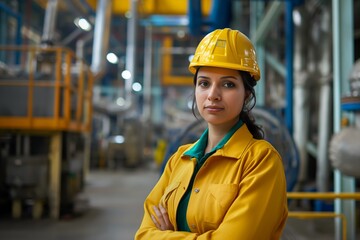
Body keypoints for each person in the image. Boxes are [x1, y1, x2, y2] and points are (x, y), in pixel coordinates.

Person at [135, 28, 288, 240]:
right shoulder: (180, 159)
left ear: (246, 95)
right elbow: (143, 234)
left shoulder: (261, 162)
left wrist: (168, 234)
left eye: (228, 84)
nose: (213, 95)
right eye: (204, 83)